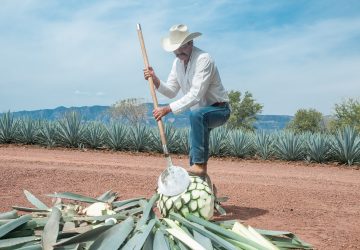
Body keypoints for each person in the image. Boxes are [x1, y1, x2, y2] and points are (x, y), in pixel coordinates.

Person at [143, 24, 230, 178]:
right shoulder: (177, 63)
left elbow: (196, 94)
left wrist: (167, 109)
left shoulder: (204, 59)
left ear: (191, 43)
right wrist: (155, 79)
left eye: (183, 46)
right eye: (176, 48)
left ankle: (199, 167)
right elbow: (170, 91)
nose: (179, 51)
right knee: (195, 145)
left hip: (219, 110)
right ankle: (200, 180)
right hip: (200, 114)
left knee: (196, 116)